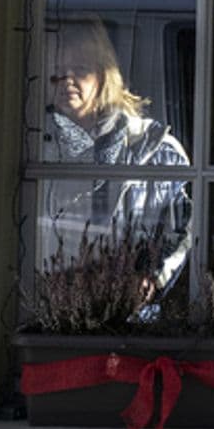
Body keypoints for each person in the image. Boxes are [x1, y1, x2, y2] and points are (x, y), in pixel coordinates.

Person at [37, 16, 192, 301]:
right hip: (50, 305)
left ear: (103, 76)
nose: (66, 80)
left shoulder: (157, 150)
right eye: (56, 71)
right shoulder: (31, 146)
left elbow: (180, 232)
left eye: (80, 69)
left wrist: (151, 280)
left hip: (126, 311)